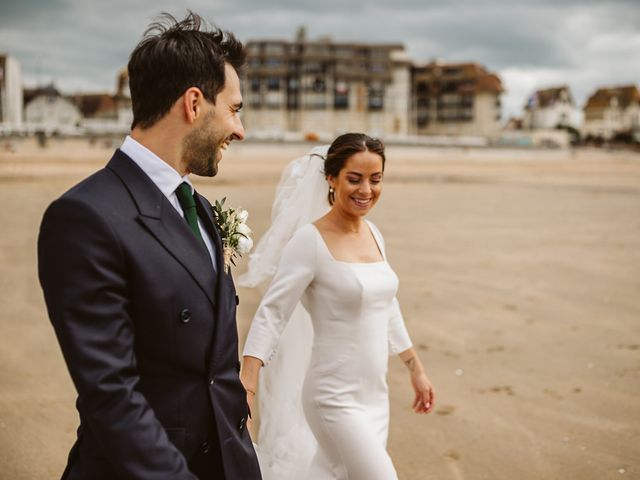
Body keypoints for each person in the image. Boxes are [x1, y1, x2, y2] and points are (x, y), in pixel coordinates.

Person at [37, 12, 261, 480]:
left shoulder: (197, 206)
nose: (240, 129)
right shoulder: (85, 217)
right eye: (235, 109)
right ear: (194, 103)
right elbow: (111, 394)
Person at [239, 133, 435, 479]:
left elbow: (387, 306)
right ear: (331, 178)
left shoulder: (375, 235)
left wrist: (415, 368)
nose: (366, 190)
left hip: (375, 395)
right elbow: (272, 313)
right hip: (332, 398)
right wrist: (248, 383)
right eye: (354, 179)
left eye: (376, 179)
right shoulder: (309, 241)